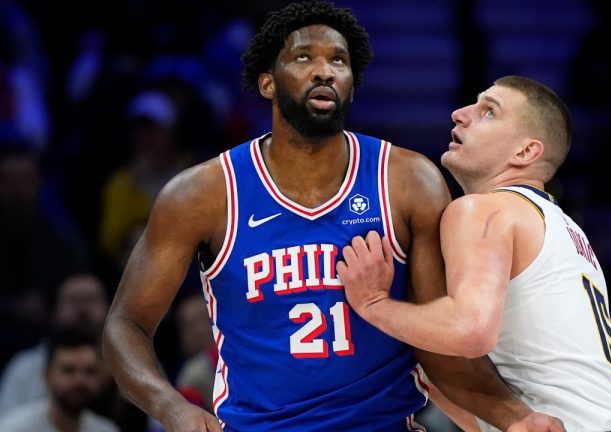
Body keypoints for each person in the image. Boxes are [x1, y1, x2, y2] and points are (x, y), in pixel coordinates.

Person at [103, 2, 542, 431]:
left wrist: (517, 418)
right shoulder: (203, 194)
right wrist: (172, 408)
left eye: (339, 61)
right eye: (303, 57)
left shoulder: (408, 181)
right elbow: (125, 325)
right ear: (268, 83)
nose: (325, 71)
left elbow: (442, 347)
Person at [338, 75, 611, 431]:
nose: (460, 114)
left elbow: (469, 329)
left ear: (525, 152)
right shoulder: (568, 231)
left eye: (489, 112)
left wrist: (374, 304)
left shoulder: (484, 210)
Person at [0, 327, 119, 432]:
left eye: (89, 371)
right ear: (47, 376)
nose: (80, 380)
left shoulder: (106, 429)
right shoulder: (13, 428)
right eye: (68, 370)